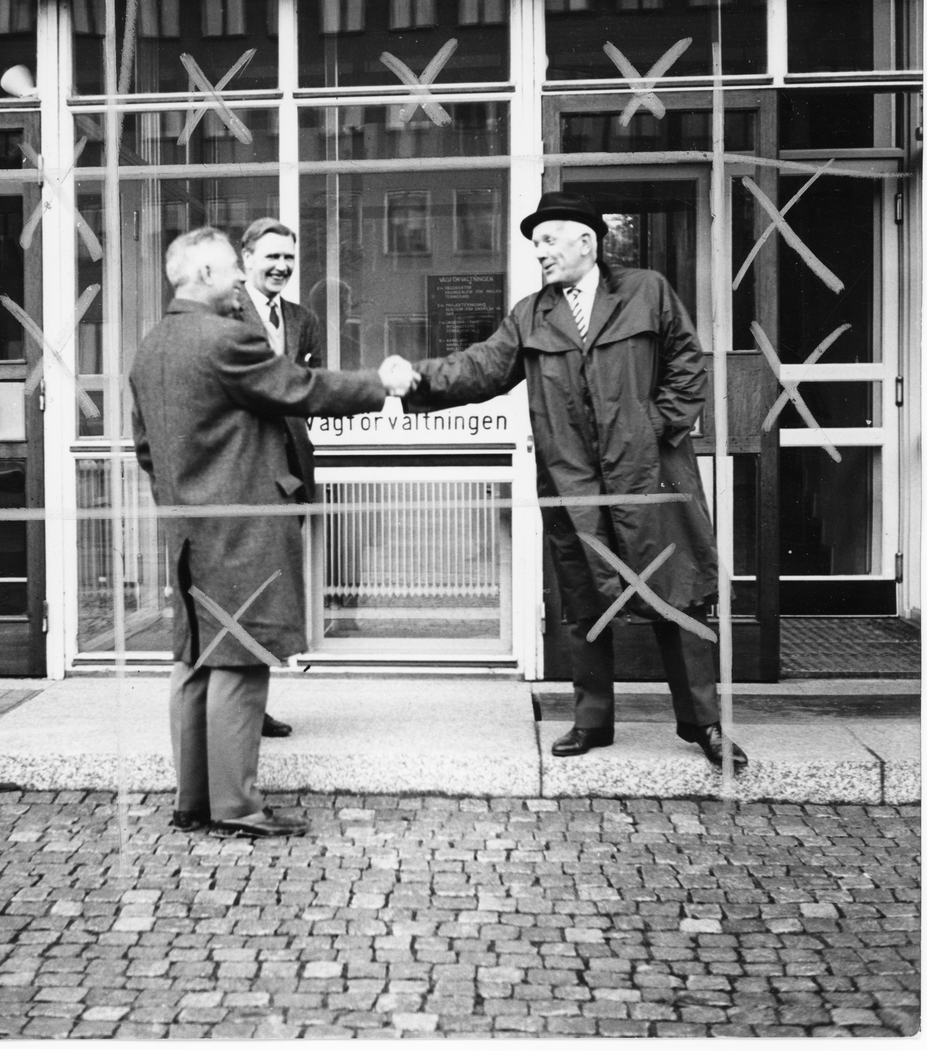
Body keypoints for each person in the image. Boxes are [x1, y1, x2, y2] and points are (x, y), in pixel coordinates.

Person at [398, 191, 747, 768]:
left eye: (548, 239)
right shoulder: (531, 314)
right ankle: (592, 722)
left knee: (677, 596)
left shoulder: (647, 291)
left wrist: (652, 427)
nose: (539, 251)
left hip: (649, 476)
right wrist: (414, 380)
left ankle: (703, 723)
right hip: (574, 480)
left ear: (587, 241)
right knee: (586, 600)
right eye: (535, 243)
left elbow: (689, 364)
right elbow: (481, 367)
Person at [129, 227, 412, 838]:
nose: (242, 277)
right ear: (205, 274)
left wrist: (185, 498)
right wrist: (381, 384)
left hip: (190, 530)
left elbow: (146, 449)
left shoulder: (151, 345)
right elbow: (300, 389)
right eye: (233, 268)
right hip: (245, 527)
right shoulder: (225, 338)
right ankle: (236, 808)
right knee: (240, 660)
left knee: (194, 660)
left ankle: (192, 802)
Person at [237, 217, 324, 734]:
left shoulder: (302, 319)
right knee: (241, 592)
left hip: (288, 472)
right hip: (240, 472)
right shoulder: (222, 314)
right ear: (246, 257)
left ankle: (254, 706)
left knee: (270, 593)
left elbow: (311, 384)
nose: (281, 266)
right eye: (271, 256)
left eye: (288, 257)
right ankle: (235, 710)